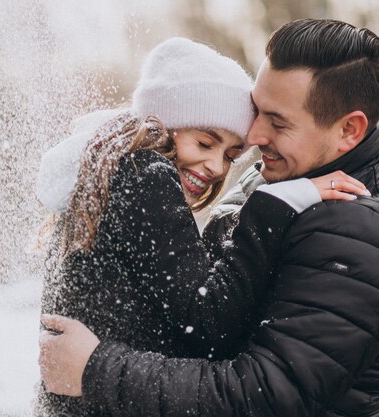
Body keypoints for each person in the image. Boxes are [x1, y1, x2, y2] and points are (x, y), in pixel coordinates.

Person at [39, 19, 379, 417]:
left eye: (278, 121)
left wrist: (98, 370)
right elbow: (196, 309)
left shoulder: (350, 225)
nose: (253, 136)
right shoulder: (262, 179)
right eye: (259, 112)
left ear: (348, 130)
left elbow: (265, 393)